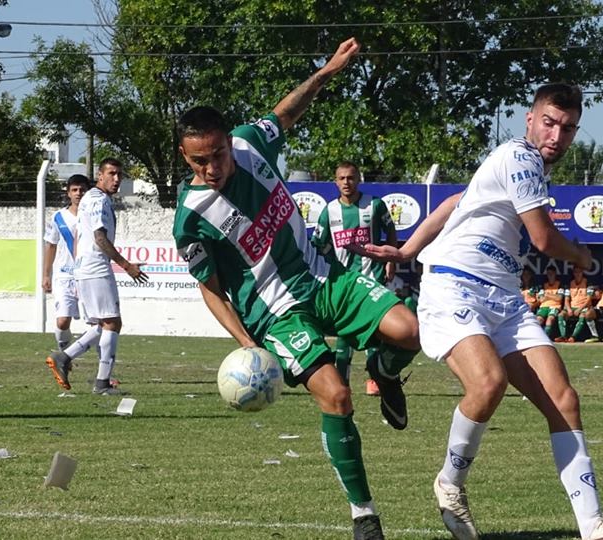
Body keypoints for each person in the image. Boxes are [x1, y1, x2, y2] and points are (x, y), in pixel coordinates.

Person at [356, 83, 603, 540]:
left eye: (568, 128)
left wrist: (407, 249)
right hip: (455, 284)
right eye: (550, 122)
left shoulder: (522, 167)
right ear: (530, 119)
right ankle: (450, 484)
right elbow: (543, 240)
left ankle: (594, 527)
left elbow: (457, 202)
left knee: (563, 400)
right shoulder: (520, 156)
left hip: (504, 297)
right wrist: (583, 258)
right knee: (488, 382)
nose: (557, 135)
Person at [171, 38, 419, 540]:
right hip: (277, 316)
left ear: (227, 141)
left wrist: (327, 70)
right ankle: (363, 514)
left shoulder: (249, 142)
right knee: (337, 396)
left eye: (217, 154)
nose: (212, 167)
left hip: (325, 279)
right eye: (199, 161)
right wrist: (246, 344)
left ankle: (385, 370)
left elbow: (286, 111)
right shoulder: (191, 219)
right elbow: (211, 288)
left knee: (411, 331)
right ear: (185, 155)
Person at [45, 158, 149, 395]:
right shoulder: (98, 199)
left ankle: (69, 361)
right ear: (100, 176)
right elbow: (100, 238)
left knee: (102, 324)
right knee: (112, 322)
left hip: (85, 268)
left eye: (120, 175)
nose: (117, 179)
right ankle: (95, 379)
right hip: (95, 267)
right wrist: (126, 265)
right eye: (111, 173)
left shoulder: (91, 199)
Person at [312, 161, 398, 397]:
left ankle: (375, 380)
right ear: (335, 182)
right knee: (344, 334)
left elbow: (390, 231)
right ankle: (342, 382)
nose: (346, 183)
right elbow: (318, 244)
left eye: (350, 178)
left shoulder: (374, 205)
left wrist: (391, 258)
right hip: (344, 282)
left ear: (359, 179)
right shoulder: (329, 211)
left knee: (373, 332)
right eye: (342, 178)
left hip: (372, 277)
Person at [42, 174, 91, 351]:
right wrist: (46, 275)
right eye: (75, 190)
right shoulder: (58, 217)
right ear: (68, 193)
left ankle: (105, 367)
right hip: (64, 275)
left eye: (82, 190)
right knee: (62, 320)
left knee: (98, 322)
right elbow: (51, 245)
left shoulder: (93, 216)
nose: (79, 193)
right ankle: (63, 353)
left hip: (87, 274)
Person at [558, 265, 596, 343]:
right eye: (576, 272)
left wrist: (580, 309)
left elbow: (588, 300)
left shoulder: (588, 282)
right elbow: (566, 299)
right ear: (573, 273)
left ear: (582, 273)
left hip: (584, 306)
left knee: (582, 315)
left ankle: (573, 337)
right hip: (572, 307)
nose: (578, 274)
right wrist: (568, 309)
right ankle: (563, 336)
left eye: (579, 272)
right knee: (561, 314)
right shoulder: (570, 283)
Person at [536, 266, 566, 340]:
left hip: (555, 306)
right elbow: (541, 300)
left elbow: (559, 298)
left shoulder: (559, 284)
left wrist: (548, 295)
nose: (550, 275)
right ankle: (536, 338)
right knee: (538, 320)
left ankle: (544, 338)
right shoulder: (543, 285)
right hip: (543, 306)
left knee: (550, 319)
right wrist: (553, 296)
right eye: (548, 274)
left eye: (552, 273)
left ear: (555, 274)